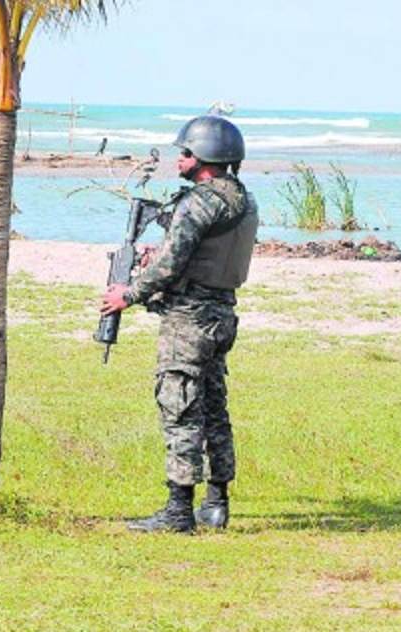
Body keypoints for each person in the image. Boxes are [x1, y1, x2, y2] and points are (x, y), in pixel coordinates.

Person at [99, 115, 259, 533]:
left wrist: (127, 294)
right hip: (222, 313)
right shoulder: (243, 199)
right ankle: (216, 502)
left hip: (189, 319)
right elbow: (199, 254)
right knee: (212, 407)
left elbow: (169, 267)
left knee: (180, 407)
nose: (180, 159)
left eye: (186, 153)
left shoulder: (200, 201)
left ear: (204, 158)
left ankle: (178, 510)